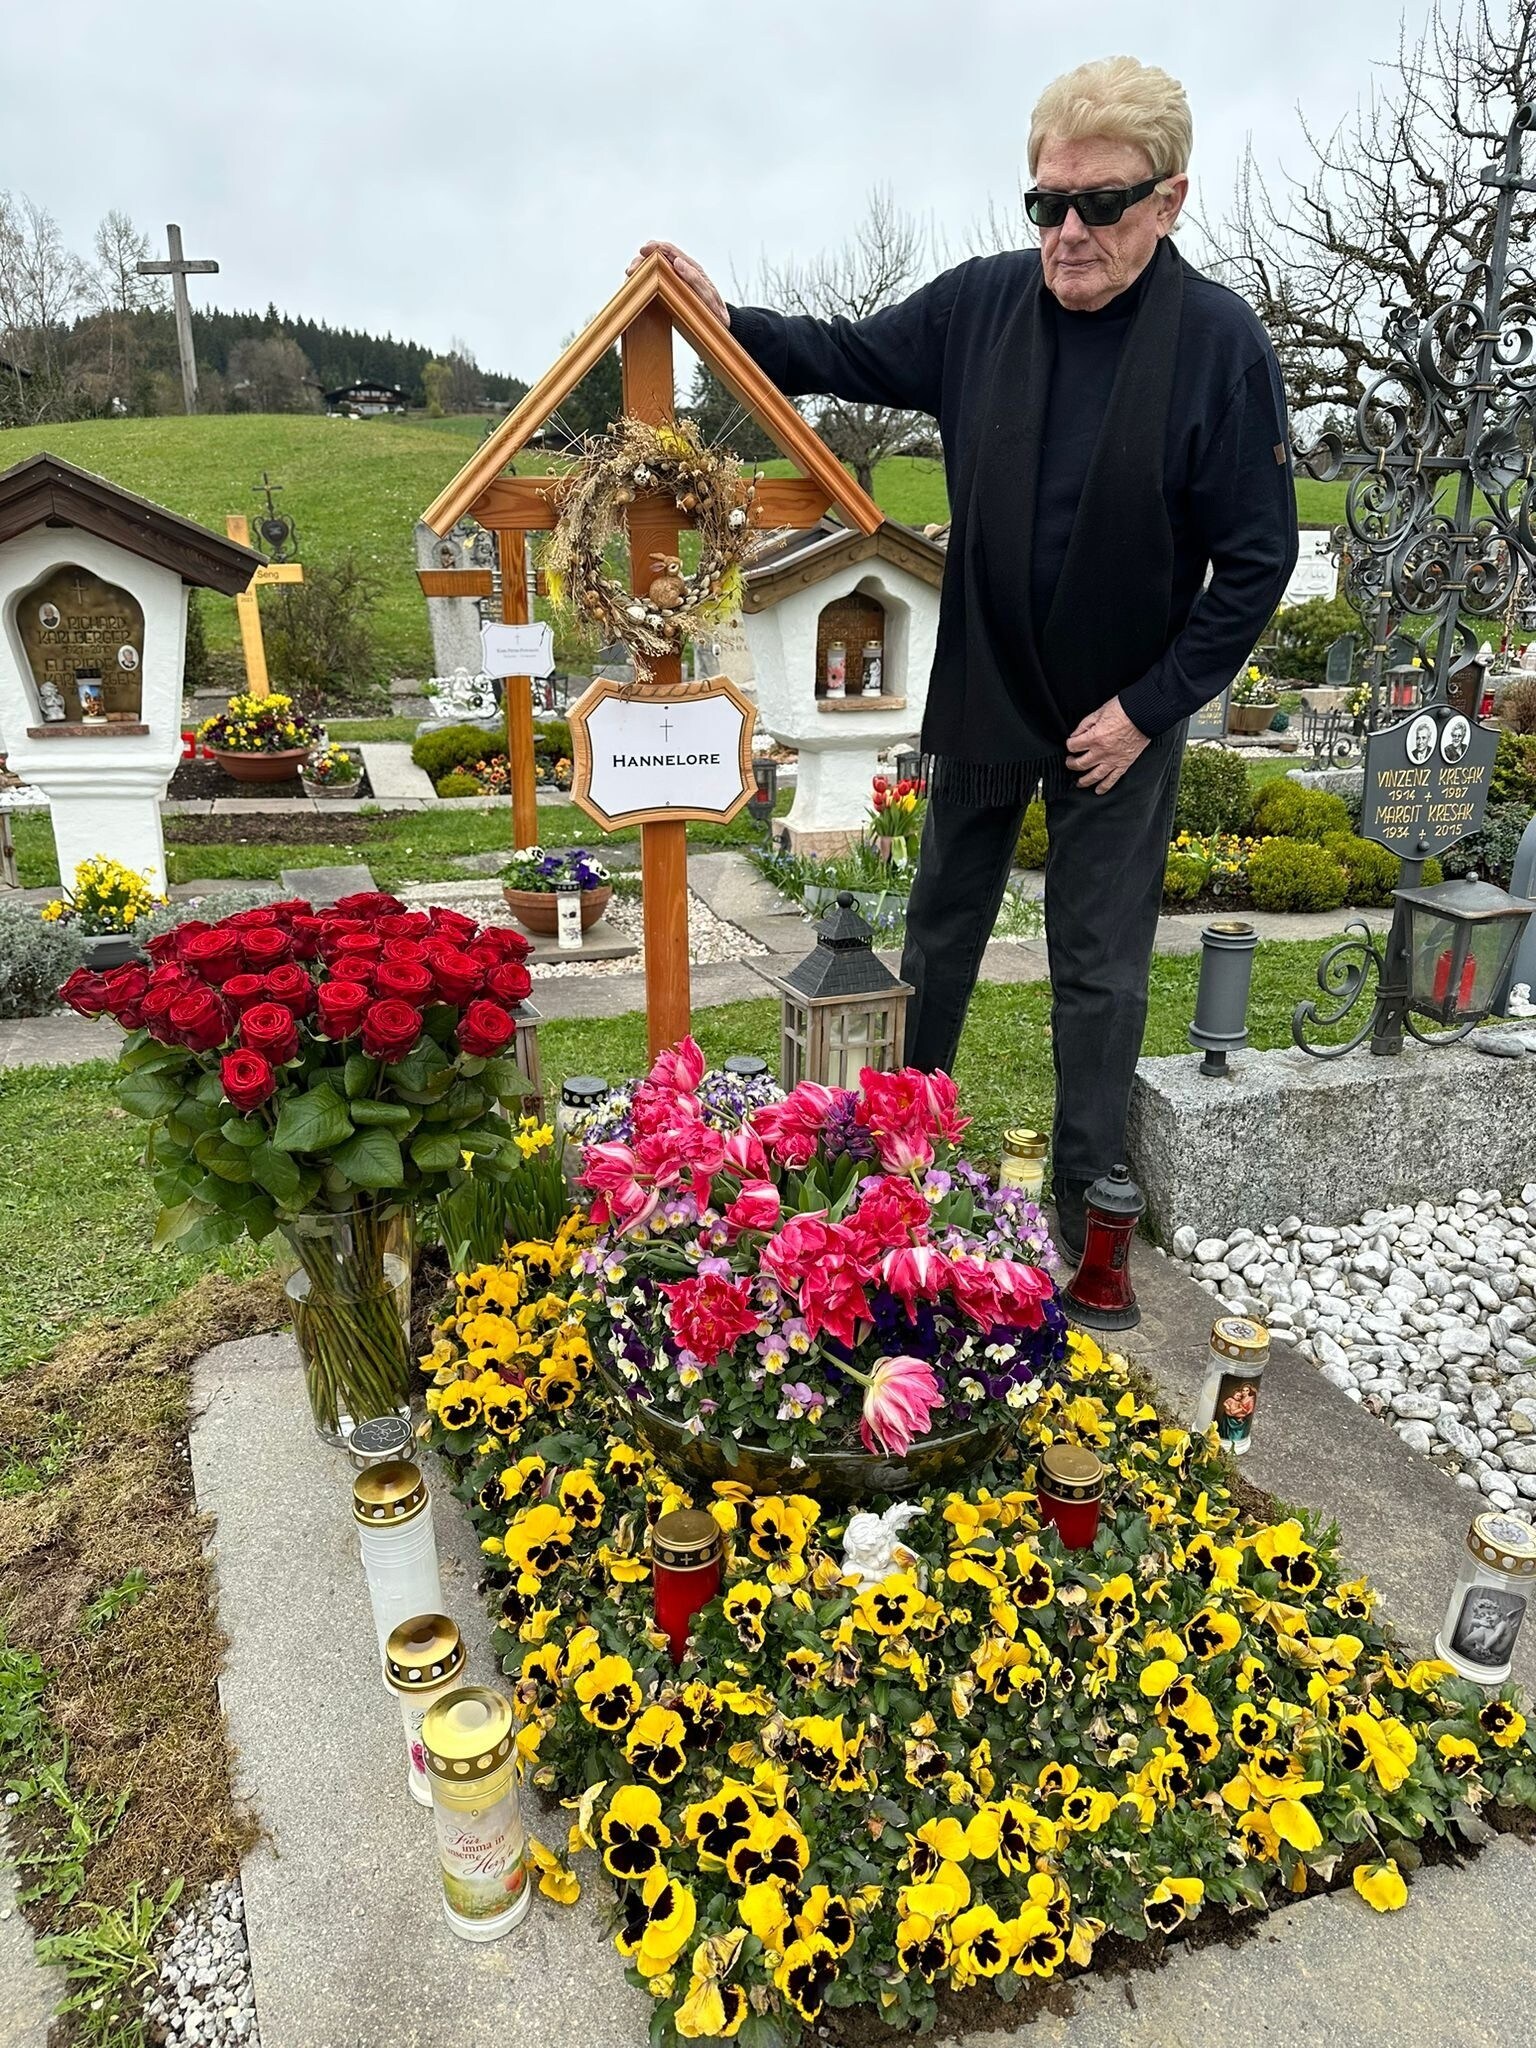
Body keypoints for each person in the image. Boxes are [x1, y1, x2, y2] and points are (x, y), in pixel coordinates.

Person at [636, 55, 1297, 1256]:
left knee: (1097, 965)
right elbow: (843, 352)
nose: (1069, 231)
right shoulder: (983, 306)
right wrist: (725, 325)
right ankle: (905, 1168)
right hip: (991, 681)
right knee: (939, 934)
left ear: (1171, 200)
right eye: (1046, 202)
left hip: (1121, 716)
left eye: (1100, 203)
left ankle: (1087, 1206)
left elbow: (1256, 563)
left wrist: (1148, 709)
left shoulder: (1219, 346)